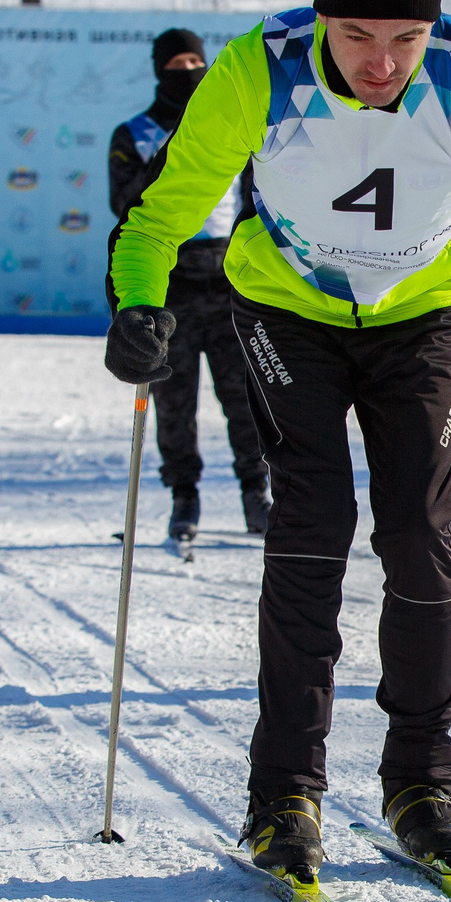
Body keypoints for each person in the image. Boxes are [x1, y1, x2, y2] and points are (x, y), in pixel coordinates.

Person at [105, 0, 451, 881]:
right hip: (285, 312)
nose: (381, 63)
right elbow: (160, 210)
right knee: (312, 519)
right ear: (321, 16)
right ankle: (283, 791)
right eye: (357, 37)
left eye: (404, 40)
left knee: (418, 529)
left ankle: (421, 777)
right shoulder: (261, 67)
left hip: (418, 315)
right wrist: (137, 305)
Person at [107, 28, 271, 538]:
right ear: (160, 70)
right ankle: (185, 497)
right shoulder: (133, 132)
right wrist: (175, 152)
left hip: (226, 277)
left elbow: (258, 194)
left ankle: (255, 492)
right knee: (174, 403)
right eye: (177, 64)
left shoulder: (228, 122)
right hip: (169, 278)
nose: (188, 71)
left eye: (195, 61)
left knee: (243, 395)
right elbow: (123, 205)